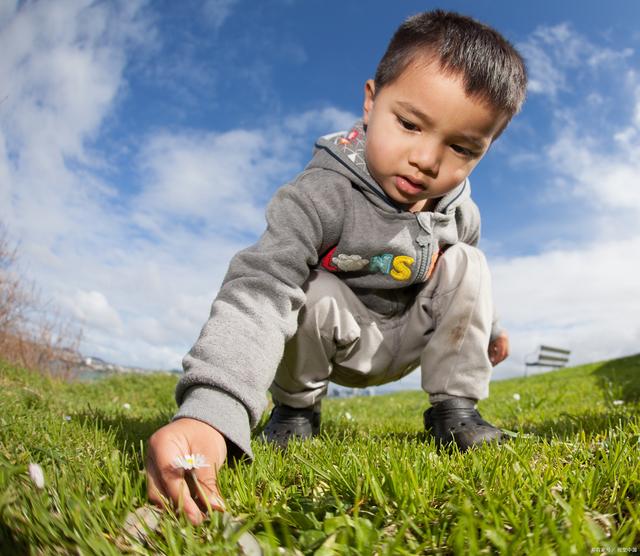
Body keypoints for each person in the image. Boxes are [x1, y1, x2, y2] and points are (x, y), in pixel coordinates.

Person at [146, 9, 527, 525]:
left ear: (483, 150)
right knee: (309, 285)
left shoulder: (460, 210)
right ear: (372, 102)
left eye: (461, 148)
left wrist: (493, 327)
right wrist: (212, 411)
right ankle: (296, 412)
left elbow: (468, 287)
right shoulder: (318, 196)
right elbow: (260, 288)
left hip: (411, 336)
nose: (427, 159)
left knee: (468, 260)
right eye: (410, 124)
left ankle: (453, 413)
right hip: (337, 340)